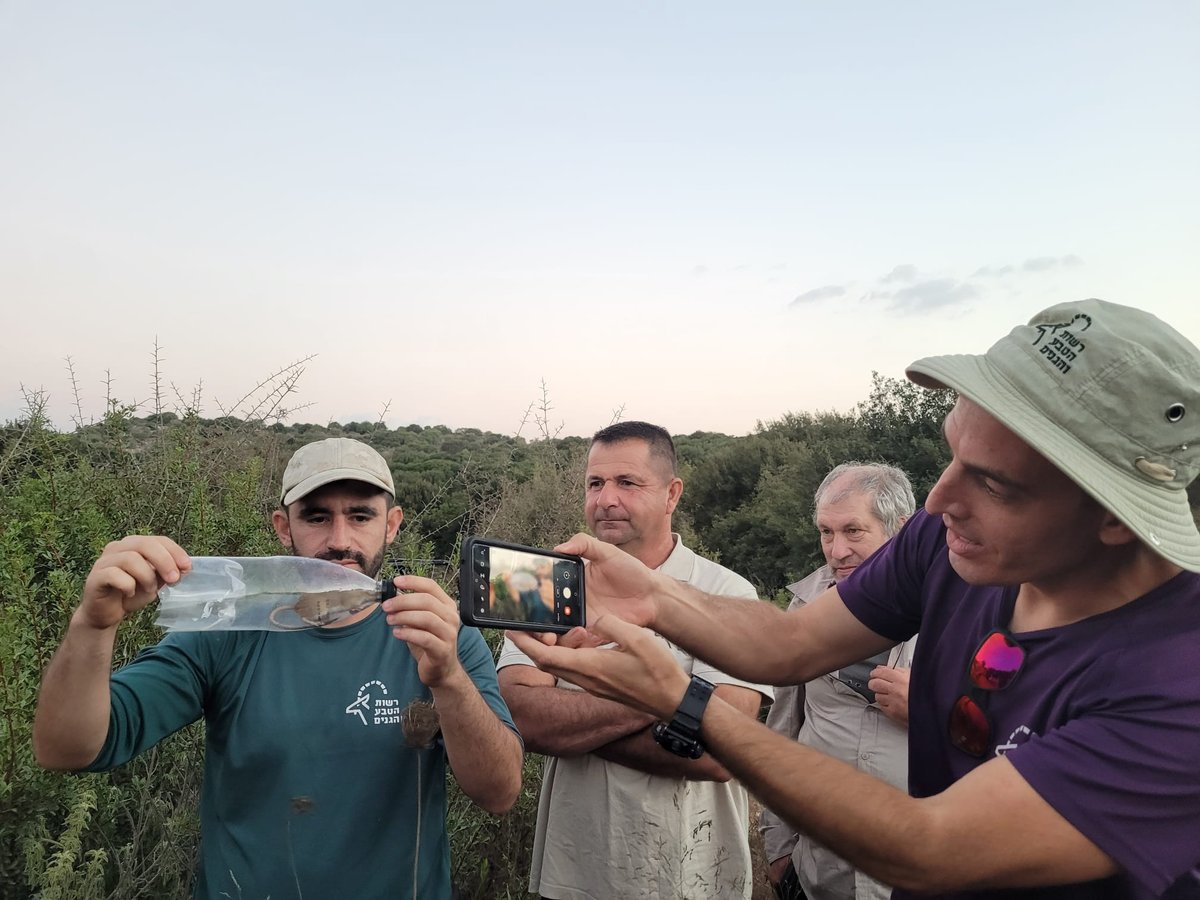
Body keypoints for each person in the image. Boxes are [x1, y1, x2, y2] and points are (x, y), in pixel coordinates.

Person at [509, 299, 1200, 899]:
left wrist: (679, 702)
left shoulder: (1175, 683)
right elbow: (791, 643)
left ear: (1116, 516)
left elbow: (929, 847)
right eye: (951, 452)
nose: (937, 499)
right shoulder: (949, 543)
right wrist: (651, 597)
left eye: (994, 483)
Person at [33, 437, 523, 900]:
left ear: (391, 525)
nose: (339, 540)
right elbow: (67, 748)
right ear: (283, 526)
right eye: (315, 517)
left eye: (360, 516)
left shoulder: (441, 635)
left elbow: (499, 792)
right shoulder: (226, 633)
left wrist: (449, 680)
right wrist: (92, 626)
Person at [497, 421, 773, 900]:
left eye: (627, 483)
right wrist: (671, 700)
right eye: (595, 483)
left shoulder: (728, 593)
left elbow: (718, 753)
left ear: (672, 494)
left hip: (695, 876)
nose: (605, 499)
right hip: (574, 874)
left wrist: (574, 728)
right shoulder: (544, 585)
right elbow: (522, 716)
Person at [761, 462, 917, 900]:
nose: (837, 550)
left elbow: (1008, 731)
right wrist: (778, 850)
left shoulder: (958, 608)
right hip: (819, 870)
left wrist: (931, 709)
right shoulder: (804, 609)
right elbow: (783, 731)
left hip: (920, 870)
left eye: (853, 531)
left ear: (901, 529)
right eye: (826, 533)